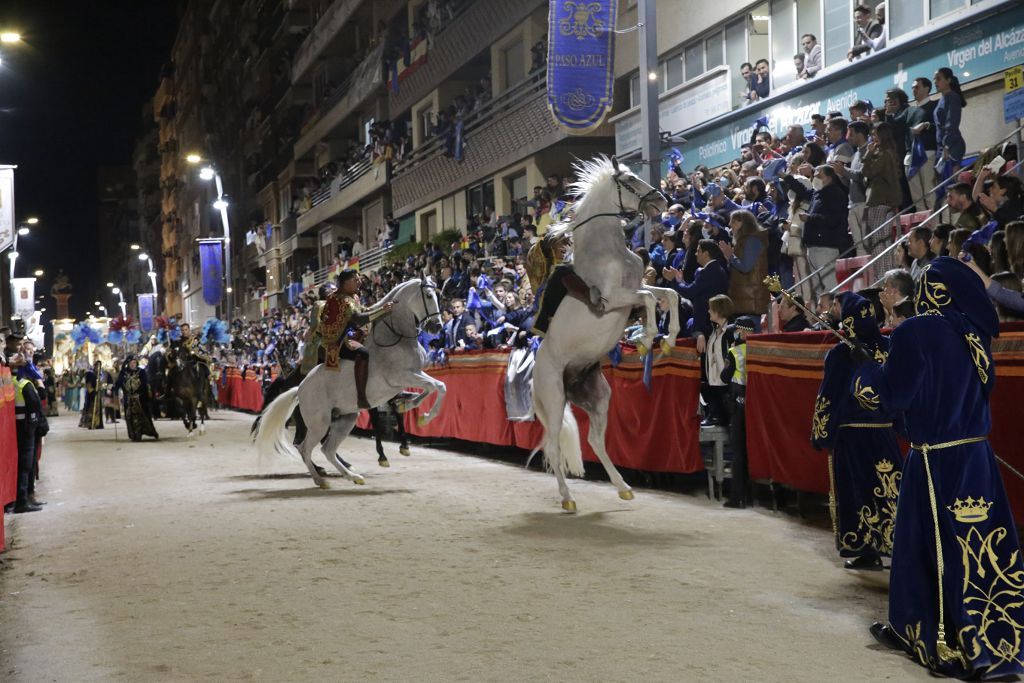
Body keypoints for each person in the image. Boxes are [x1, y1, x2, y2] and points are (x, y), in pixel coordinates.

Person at [862, 257, 1024, 679]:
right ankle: (995, 643)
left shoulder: (916, 330)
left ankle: (948, 642)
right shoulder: (975, 333)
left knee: (931, 547)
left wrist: (867, 377)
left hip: (934, 460)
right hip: (976, 458)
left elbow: (891, 397)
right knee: (984, 550)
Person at [811, 293, 901, 571]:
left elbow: (829, 397)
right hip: (884, 434)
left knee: (857, 492)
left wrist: (821, 433)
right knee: (891, 489)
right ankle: (899, 548)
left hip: (852, 438)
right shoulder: (889, 347)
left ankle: (866, 551)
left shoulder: (840, 354)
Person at [318, 269, 397, 409]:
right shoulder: (340, 299)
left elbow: (362, 311)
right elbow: (358, 319)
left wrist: (379, 307)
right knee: (363, 353)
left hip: (351, 334)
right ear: (345, 283)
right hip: (338, 341)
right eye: (356, 279)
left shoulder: (353, 296)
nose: (359, 282)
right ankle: (361, 396)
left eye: (359, 279)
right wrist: (381, 311)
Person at [525, 231, 604, 338]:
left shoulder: (584, 265)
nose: (565, 247)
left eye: (568, 243)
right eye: (561, 244)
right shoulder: (555, 270)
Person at [663, 239, 730, 349]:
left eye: (698, 251)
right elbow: (695, 289)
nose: (695, 254)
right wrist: (681, 281)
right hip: (714, 322)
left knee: (706, 362)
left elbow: (690, 292)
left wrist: (674, 280)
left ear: (706, 254)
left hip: (705, 325)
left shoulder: (707, 272)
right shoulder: (718, 269)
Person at [794, 165, 849, 295]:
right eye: (814, 176)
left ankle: (833, 314)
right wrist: (786, 177)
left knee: (830, 286)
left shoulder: (836, 194)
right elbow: (801, 190)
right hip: (813, 246)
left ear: (829, 178)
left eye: (819, 176)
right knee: (818, 289)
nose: (815, 179)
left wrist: (810, 218)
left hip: (826, 246)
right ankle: (823, 314)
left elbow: (833, 219)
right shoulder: (817, 194)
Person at [722, 315, 757, 509]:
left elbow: (725, 375)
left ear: (743, 332)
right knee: (751, 451)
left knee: (738, 452)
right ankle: (752, 496)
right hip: (754, 406)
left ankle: (737, 497)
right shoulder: (759, 350)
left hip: (738, 403)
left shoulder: (734, 352)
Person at [9, 353, 47, 514]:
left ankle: (19, 498)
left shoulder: (8, 382)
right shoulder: (24, 384)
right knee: (26, 464)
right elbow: (37, 405)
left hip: (14, 427)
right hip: (26, 427)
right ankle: (22, 500)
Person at [720, 209, 770, 324]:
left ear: (744, 223)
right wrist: (729, 258)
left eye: (734, 222)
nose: (729, 225)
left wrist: (730, 256)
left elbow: (746, 267)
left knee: (751, 336)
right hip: (744, 298)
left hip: (752, 299)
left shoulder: (752, 241)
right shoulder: (743, 241)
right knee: (743, 339)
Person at [860, 121, 903, 251]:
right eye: (872, 135)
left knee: (878, 242)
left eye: (876, 134)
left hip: (878, 201)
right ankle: (886, 270)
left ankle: (882, 272)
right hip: (888, 202)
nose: (873, 138)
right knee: (885, 242)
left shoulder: (883, 154)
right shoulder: (891, 153)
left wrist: (868, 154)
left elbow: (867, 171)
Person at [701, 294, 735, 427]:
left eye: (711, 308)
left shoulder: (731, 330)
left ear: (719, 310)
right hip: (714, 379)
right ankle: (715, 415)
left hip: (726, 380)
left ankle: (720, 417)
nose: (708, 311)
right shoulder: (714, 330)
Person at [114, 355, 159, 442]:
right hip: (128, 399)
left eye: (134, 363)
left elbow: (145, 384)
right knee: (129, 417)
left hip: (140, 399)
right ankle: (134, 434)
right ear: (128, 363)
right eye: (131, 363)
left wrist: (147, 396)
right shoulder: (123, 373)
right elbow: (118, 384)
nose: (133, 364)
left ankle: (145, 431)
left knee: (142, 416)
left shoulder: (141, 372)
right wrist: (113, 388)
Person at [933, 67, 967, 173]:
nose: (935, 82)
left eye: (939, 79)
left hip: (951, 145)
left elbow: (952, 122)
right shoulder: (942, 99)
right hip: (942, 147)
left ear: (948, 80)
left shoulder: (953, 97)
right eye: (934, 79)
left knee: (953, 182)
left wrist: (946, 146)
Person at [80, 360, 104, 430]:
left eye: (99, 366)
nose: (98, 368)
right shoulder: (90, 374)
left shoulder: (98, 375)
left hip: (97, 395)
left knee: (98, 409)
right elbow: (88, 385)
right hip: (92, 395)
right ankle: (91, 423)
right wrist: (93, 391)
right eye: (97, 366)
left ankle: (97, 423)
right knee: (91, 409)